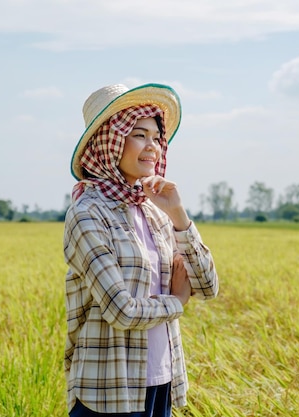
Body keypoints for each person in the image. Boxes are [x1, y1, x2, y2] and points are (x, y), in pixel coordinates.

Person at [63, 83, 219, 417]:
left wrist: (178, 214)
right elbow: (121, 310)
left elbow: (208, 286)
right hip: (109, 390)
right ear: (109, 141)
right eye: (139, 135)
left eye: (156, 137)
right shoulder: (88, 212)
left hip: (162, 381)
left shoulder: (154, 210)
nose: (153, 147)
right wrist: (176, 302)